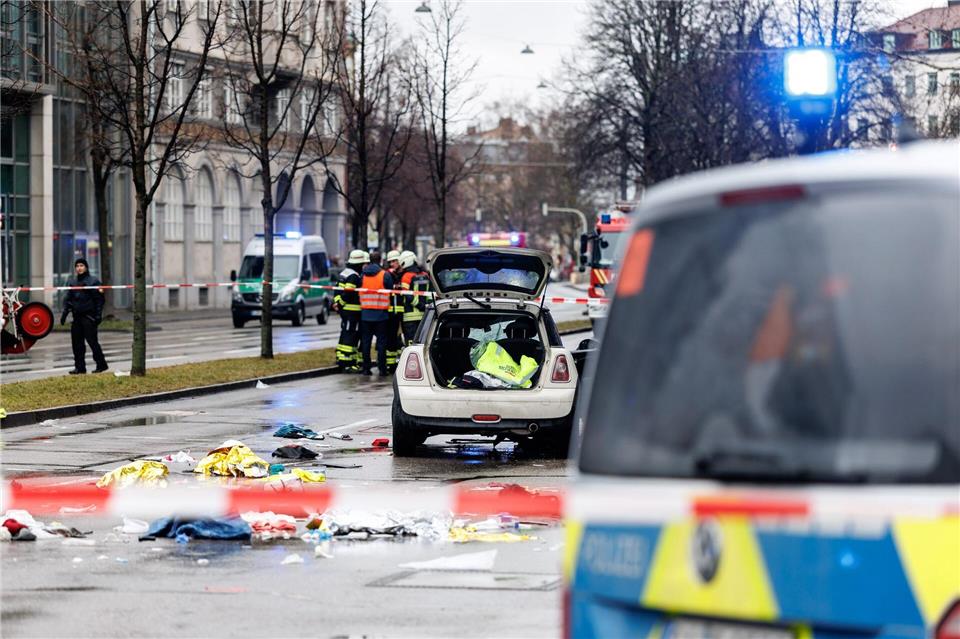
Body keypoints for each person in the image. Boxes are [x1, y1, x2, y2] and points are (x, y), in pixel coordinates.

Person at [60, 258, 108, 375]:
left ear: (86, 267)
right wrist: (64, 314)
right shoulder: (73, 282)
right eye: (77, 266)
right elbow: (68, 300)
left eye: (81, 265)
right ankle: (80, 367)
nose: (79, 268)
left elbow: (99, 300)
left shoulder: (93, 281)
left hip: (89, 317)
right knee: (77, 344)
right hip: (76, 318)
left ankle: (101, 364)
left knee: (92, 342)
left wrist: (98, 316)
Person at [359, 249, 394, 376]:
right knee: (381, 344)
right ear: (380, 260)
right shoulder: (385, 275)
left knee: (366, 343)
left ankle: (366, 368)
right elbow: (390, 291)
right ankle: (382, 369)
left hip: (365, 314)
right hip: (381, 315)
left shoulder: (362, 275)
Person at [333, 250, 367, 372]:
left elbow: (337, 291)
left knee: (345, 333)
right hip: (352, 312)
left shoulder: (344, 273)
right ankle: (347, 363)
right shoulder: (354, 276)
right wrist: (341, 304)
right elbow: (348, 292)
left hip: (346, 312)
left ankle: (341, 358)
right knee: (350, 335)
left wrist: (337, 303)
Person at [399, 250, 430, 345]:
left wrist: (419, 305)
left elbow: (407, 294)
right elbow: (430, 294)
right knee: (423, 341)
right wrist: (426, 306)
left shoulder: (406, 276)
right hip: (425, 315)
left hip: (409, 316)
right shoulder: (425, 275)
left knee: (411, 342)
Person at [384, 249, 404, 373]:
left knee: (402, 339)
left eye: (394, 261)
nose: (392, 264)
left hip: (404, 312)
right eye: (390, 262)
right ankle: (391, 364)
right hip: (391, 312)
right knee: (391, 338)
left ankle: (400, 362)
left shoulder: (404, 274)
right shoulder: (388, 275)